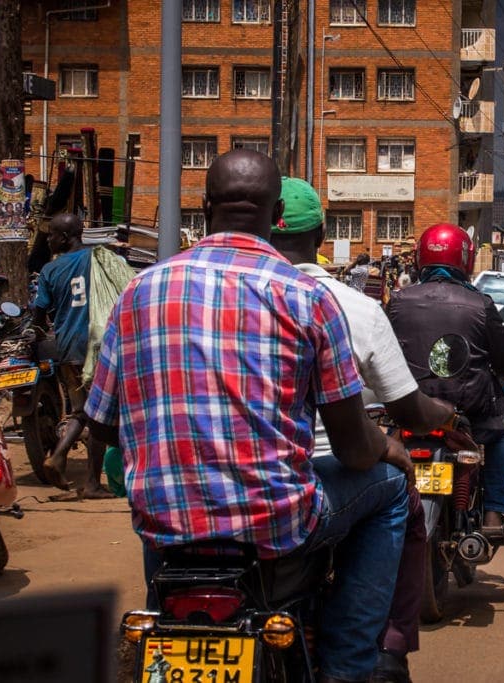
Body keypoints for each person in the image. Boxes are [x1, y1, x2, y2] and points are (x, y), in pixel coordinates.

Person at [84, 150, 411, 683]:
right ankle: (348, 667)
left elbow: (99, 423)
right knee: (391, 491)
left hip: (167, 530)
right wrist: (386, 447)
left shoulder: (138, 293)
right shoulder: (306, 296)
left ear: (204, 205)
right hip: (276, 526)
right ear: (277, 212)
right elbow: (354, 449)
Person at [270, 178, 457, 683]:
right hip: (315, 477)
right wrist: (440, 417)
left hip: (191, 493)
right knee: (399, 491)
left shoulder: (196, 294)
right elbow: (392, 419)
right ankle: (376, 651)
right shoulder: (342, 305)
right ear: (324, 234)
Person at [388, 223, 504, 539]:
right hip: (471, 411)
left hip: (410, 407)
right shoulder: (481, 304)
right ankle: (493, 512)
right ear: (465, 260)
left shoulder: (398, 301)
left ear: (420, 258)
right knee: (502, 431)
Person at [31, 212, 120, 498]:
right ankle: (90, 482)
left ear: (66, 237)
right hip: (98, 347)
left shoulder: (49, 271)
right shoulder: (98, 259)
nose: (48, 239)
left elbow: (39, 311)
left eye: (52, 235)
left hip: (67, 348)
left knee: (81, 410)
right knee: (97, 416)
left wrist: (37, 329)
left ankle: (60, 457)